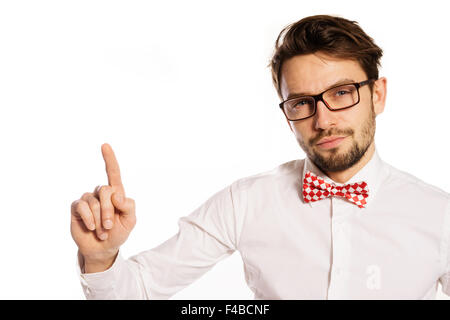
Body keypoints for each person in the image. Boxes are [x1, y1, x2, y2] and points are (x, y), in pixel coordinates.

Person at [71, 14, 450, 299]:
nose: (323, 120)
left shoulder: (439, 216)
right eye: (302, 102)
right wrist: (102, 258)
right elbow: (136, 291)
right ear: (286, 113)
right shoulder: (246, 202)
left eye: (341, 93)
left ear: (377, 95)